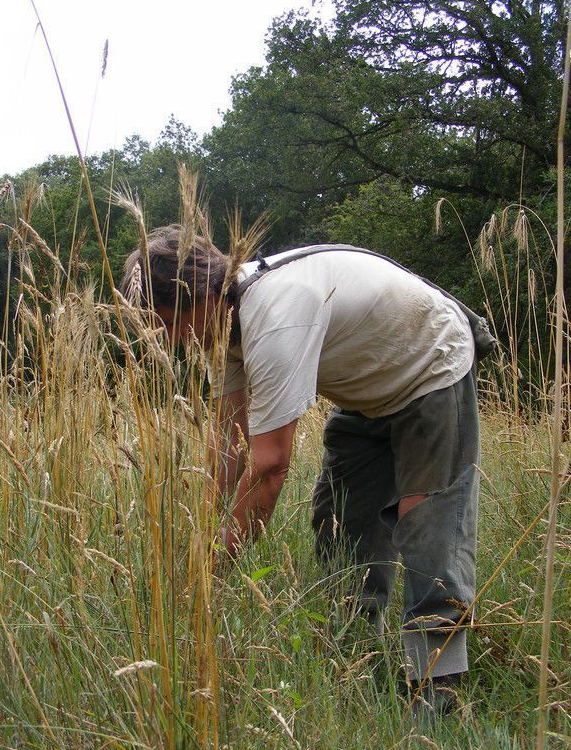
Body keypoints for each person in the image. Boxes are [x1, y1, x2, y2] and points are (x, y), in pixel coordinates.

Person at [121, 226, 481, 717]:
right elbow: (227, 445)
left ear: (202, 292)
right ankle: (358, 661)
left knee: (428, 532)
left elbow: (269, 466)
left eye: (171, 322)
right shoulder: (224, 326)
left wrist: (208, 570)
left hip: (430, 368)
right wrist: (193, 533)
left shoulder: (275, 312)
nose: (172, 338)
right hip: (366, 392)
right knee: (341, 524)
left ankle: (436, 697)